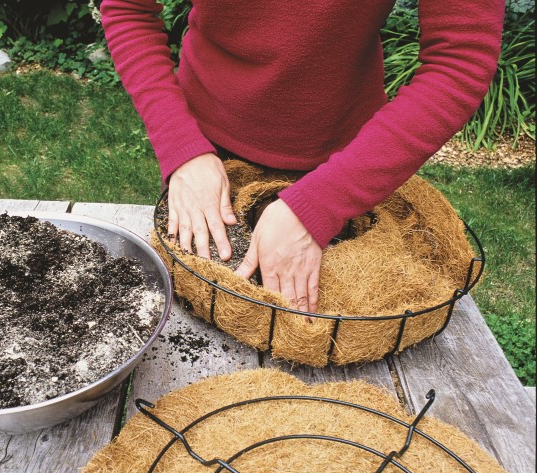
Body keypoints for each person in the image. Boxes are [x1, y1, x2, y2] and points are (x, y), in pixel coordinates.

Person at [99, 0, 504, 313]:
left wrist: (322, 203)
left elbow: (461, 59)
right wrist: (182, 149)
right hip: (204, 151)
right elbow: (128, 9)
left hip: (348, 162)